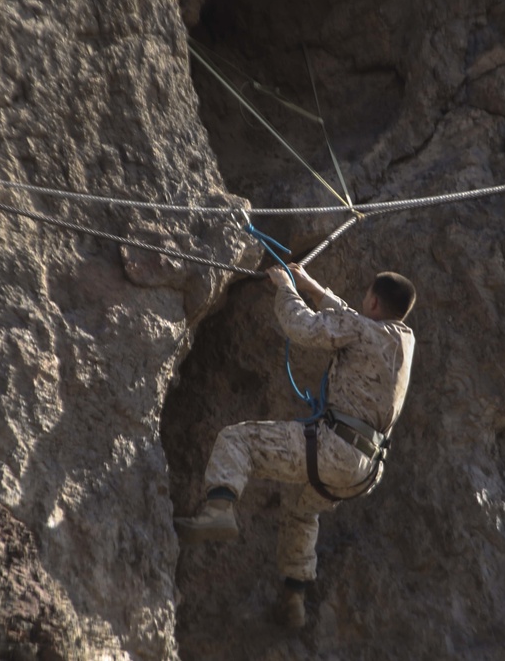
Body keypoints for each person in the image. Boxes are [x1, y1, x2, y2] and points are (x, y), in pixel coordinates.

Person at [174, 262, 416, 628]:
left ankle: (219, 508)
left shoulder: (362, 329)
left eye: (366, 297)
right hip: (365, 469)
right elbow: (355, 322)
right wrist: (313, 286)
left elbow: (301, 327)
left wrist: (286, 286)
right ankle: (294, 596)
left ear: (374, 303)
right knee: (302, 511)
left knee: (237, 439)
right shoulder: (402, 339)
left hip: (335, 449)